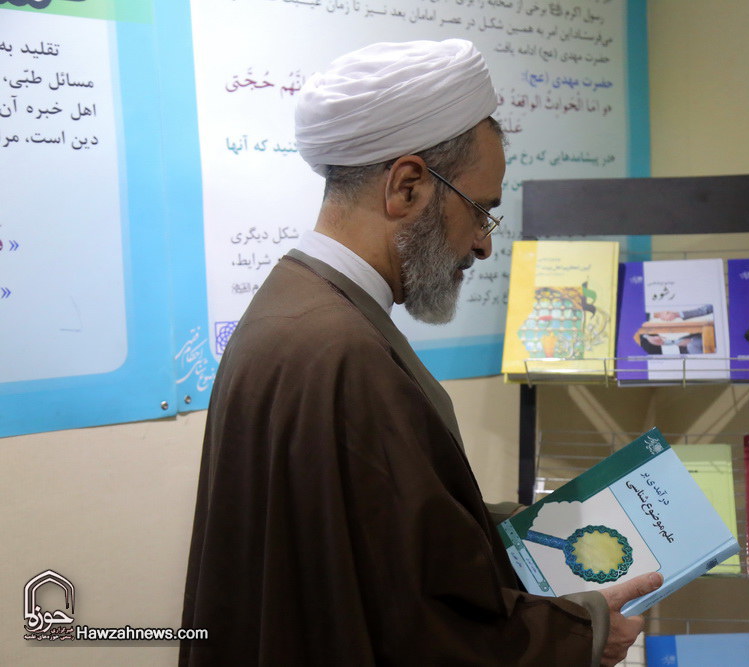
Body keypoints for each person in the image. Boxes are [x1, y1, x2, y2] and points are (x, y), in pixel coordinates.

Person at [179, 39, 660, 666]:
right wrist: (586, 631)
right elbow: (419, 626)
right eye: (481, 211)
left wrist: (506, 530)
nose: (483, 246)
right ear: (407, 187)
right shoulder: (341, 352)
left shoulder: (293, 307)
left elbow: (365, 539)